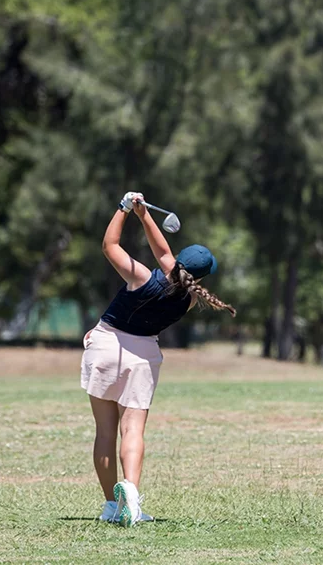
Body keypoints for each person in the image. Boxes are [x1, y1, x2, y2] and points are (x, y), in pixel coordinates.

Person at [82, 192, 236, 526]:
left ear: (179, 260)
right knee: (133, 430)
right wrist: (144, 215)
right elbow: (164, 255)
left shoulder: (141, 278)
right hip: (143, 357)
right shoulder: (191, 298)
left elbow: (110, 246)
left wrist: (124, 209)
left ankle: (112, 505)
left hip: (106, 346)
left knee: (105, 432)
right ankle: (132, 499)